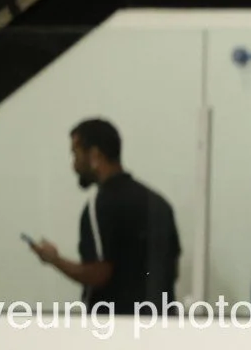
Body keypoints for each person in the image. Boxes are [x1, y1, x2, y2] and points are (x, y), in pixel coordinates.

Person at [28, 118, 179, 315]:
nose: (74, 166)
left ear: (94, 155)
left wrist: (54, 260)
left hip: (113, 327)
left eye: (76, 154)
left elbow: (99, 275)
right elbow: (172, 271)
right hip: (161, 325)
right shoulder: (159, 204)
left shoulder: (99, 205)